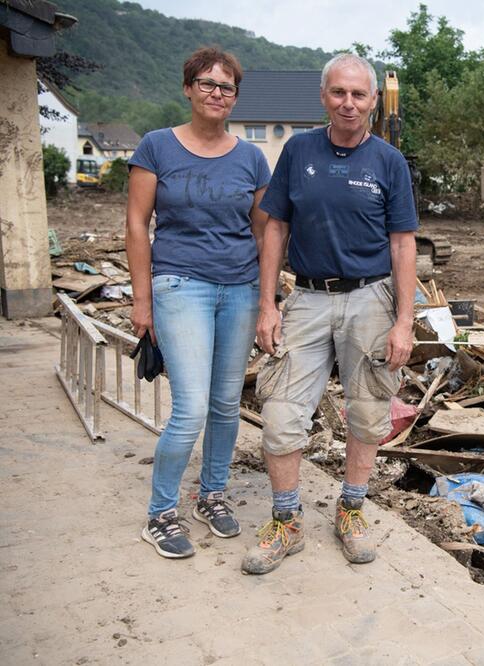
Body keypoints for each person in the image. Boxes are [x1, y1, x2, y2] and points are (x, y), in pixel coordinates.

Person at [242, 53, 417, 575]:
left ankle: (352, 509)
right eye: (339, 93)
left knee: (367, 411)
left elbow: (403, 243)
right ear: (323, 97)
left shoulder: (388, 161)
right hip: (309, 299)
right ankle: (286, 521)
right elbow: (275, 228)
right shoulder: (298, 151)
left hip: (370, 300)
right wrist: (268, 303)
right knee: (281, 411)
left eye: (359, 95)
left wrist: (404, 321)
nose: (348, 103)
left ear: (371, 102)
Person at [126, 47, 271, 559]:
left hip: (239, 289)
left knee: (227, 404)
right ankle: (161, 512)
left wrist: (268, 299)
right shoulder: (156, 147)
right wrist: (142, 302)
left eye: (226, 86)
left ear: (235, 97)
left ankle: (211, 495)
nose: (216, 93)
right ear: (188, 89)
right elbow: (137, 226)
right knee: (190, 409)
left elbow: (262, 232)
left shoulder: (252, 157)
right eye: (207, 84)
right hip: (178, 285)